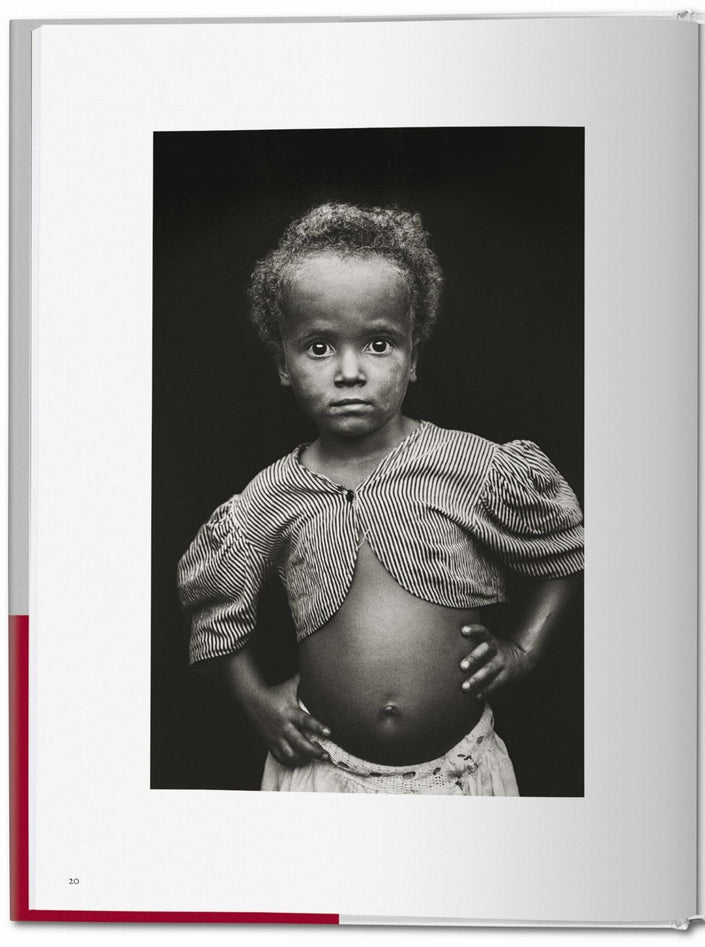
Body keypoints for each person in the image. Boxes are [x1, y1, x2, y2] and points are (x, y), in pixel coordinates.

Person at [178, 203, 583, 795]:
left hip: (460, 777)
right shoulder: (271, 496)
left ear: (414, 356)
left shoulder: (471, 466)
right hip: (324, 777)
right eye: (318, 347)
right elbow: (215, 610)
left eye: (379, 344)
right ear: (283, 364)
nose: (349, 371)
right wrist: (256, 701)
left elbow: (566, 549)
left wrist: (524, 649)